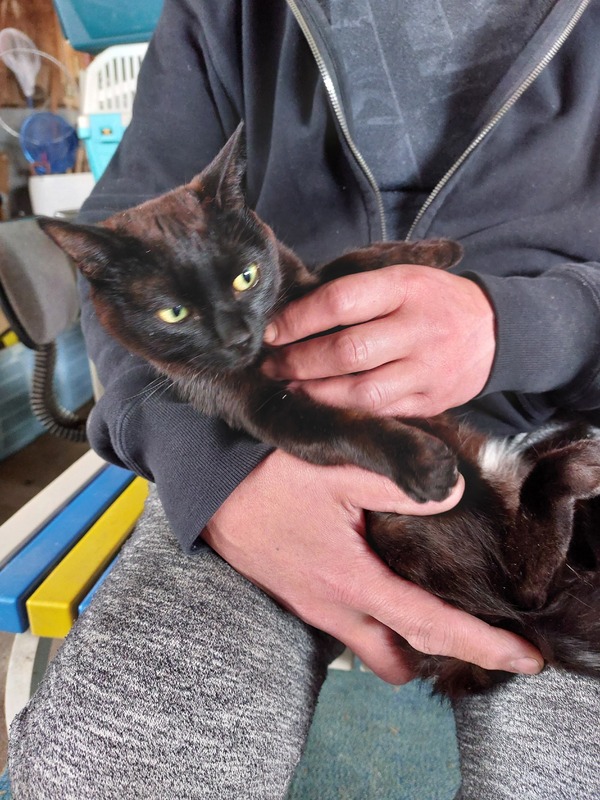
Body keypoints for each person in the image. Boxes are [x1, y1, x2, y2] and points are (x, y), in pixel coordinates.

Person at [8, 1, 600, 797]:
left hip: (565, 412)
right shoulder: (224, 13)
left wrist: (529, 326)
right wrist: (215, 469)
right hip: (251, 441)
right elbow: (115, 259)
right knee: (118, 758)